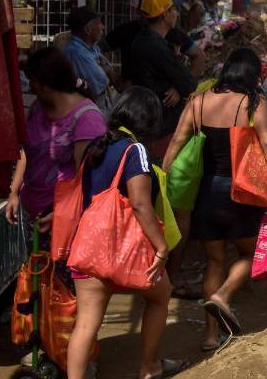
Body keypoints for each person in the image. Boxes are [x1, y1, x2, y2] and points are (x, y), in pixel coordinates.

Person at [163, 49, 267, 351]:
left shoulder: (198, 102)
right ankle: (224, 295)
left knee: (215, 261)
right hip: (239, 193)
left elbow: (176, 143)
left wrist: (162, 177)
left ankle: (210, 336)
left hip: (205, 193)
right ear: (251, 75)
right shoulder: (253, 103)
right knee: (252, 255)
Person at [65, 87, 187, 379]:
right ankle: (149, 367)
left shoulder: (97, 146)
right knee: (160, 296)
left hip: (89, 249)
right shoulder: (136, 151)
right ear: (149, 121)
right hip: (127, 250)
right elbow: (140, 204)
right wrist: (161, 247)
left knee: (86, 325)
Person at [7, 48, 107, 233]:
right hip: (31, 215)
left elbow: (86, 178)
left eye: (32, 82)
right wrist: (13, 192)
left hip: (63, 221)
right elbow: (29, 152)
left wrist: (62, 214)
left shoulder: (86, 118)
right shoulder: (38, 108)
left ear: (45, 85)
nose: (30, 87)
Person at [128, 0, 198, 159]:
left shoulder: (140, 41)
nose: (177, 13)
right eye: (173, 9)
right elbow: (189, 83)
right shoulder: (157, 47)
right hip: (162, 123)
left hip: (146, 117)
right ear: (165, 15)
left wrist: (176, 86)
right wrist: (180, 86)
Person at [62, 6, 116, 111]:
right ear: (87, 29)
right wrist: (107, 71)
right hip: (88, 110)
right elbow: (101, 81)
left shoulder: (91, 47)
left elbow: (106, 68)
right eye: (99, 23)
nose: (103, 27)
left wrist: (106, 69)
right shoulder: (78, 53)